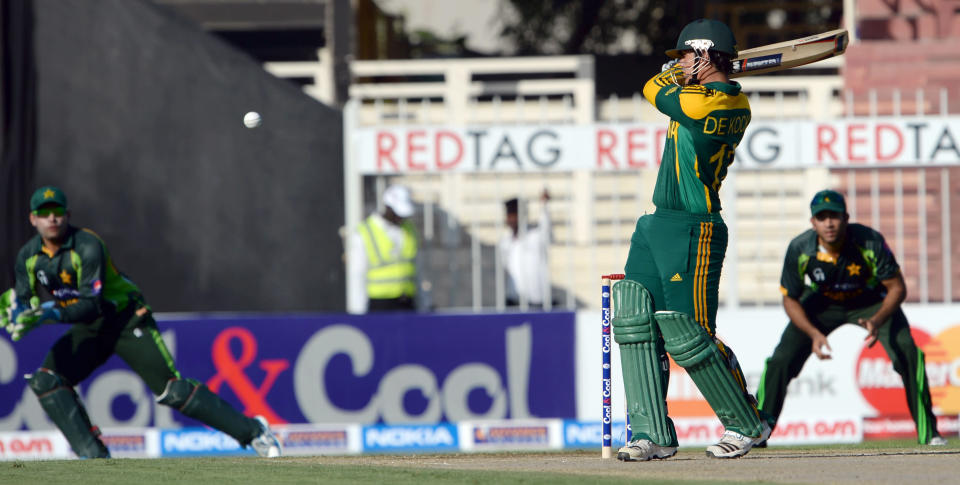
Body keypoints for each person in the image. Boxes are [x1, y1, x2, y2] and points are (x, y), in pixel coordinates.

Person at [0, 186, 282, 459]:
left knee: (173, 391)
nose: (52, 218)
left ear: (67, 214)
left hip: (126, 318)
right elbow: (24, 299)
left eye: (57, 211)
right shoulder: (28, 257)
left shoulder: (86, 245)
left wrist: (49, 314)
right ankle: (95, 461)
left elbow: (90, 305)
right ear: (32, 218)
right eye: (44, 212)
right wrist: (18, 313)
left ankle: (254, 431)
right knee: (46, 380)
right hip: (91, 326)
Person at [613, 18, 770, 462]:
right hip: (658, 222)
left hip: (694, 227)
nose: (677, 62)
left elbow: (651, 87)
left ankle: (745, 424)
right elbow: (667, 85)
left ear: (703, 56)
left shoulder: (721, 106)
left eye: (683, 55)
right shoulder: (698, 94)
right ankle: (652, 434)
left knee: (691, 334)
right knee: (635, 322)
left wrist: (677, 76)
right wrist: (688, 73)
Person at [756, 189, 947, 446]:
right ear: (813, 222)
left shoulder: (869, 241)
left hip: (871, 301)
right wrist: (813, 333)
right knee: (780, 361)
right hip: (821, 304)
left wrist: (878, 319)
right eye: (821, 217)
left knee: (909, 353)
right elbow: (790, 298)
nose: (829, 223)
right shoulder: (800, 248)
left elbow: (897, 287)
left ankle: (930, 434)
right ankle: (756, 434)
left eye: (834, 216)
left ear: (846, 218)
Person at [347, 184, 421, 313]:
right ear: (387, 207)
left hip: (407, 302)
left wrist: (423, 302)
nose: (401, 218)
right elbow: (357, 275)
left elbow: (418, 268)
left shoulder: (409, 230)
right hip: (379, 304)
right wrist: (358, 312)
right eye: (397, 213)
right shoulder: (365, 233)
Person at [498, 189, 552, 309]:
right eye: (508, 214)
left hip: (536, 301)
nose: (510, 218)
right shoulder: (505, 241)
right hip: (513, 301)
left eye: (513, 214)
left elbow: (546, 228)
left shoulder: (536, 236)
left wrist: (545, 206)